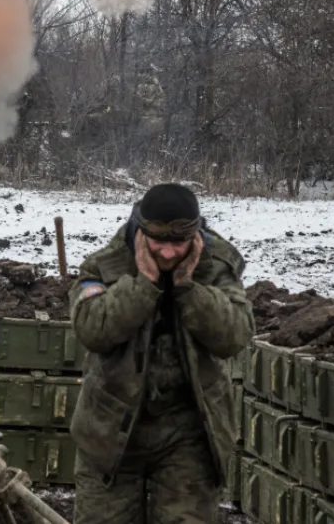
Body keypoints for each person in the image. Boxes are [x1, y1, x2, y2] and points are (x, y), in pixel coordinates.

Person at [68, 183, 254, 524]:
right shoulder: (105, 266)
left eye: (178, 243)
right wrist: (144, 284)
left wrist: (187, 288)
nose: (169, 253)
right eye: (159, 242)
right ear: (140, 233)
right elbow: (91, 329)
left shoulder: (215, 267)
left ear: (195, 237)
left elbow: (236, 335)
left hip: (190, 432)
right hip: (109, 430)